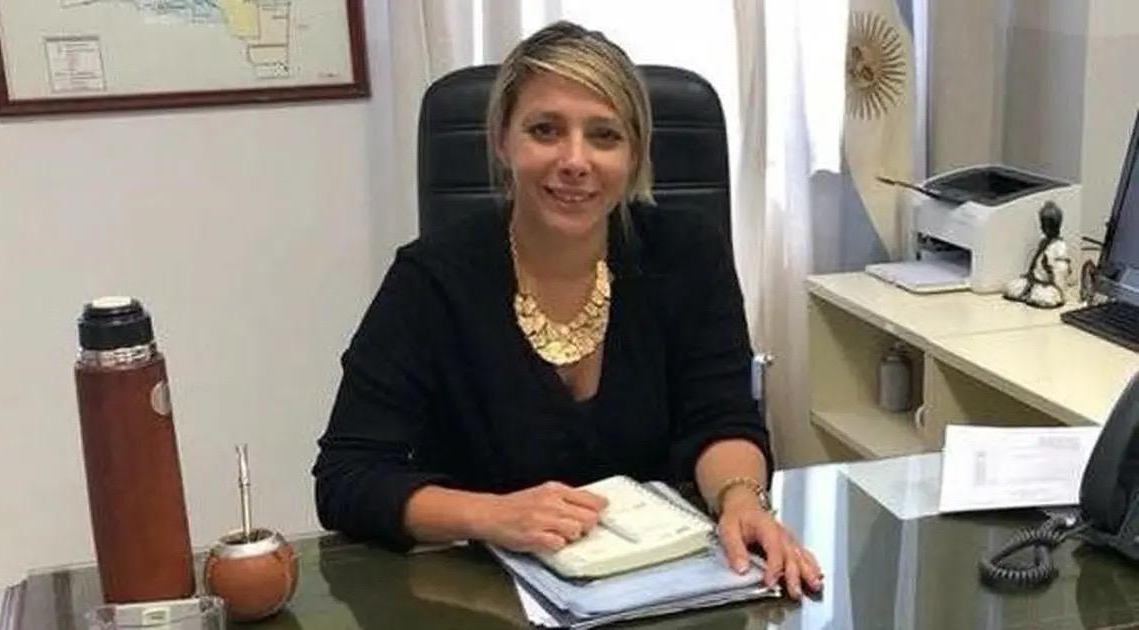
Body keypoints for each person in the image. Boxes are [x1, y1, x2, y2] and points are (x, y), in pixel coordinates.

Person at [313, 21, 822, 599]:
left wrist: (740, 499)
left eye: (604, 136)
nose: (575, 160)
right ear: (502, 141)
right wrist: (492, 515)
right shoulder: (431, 280)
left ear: (634, 154)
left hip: (660, 584)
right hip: (485, 593)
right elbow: (347, 477)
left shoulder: (687, 253)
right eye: (545, 130)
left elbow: (721, 418)